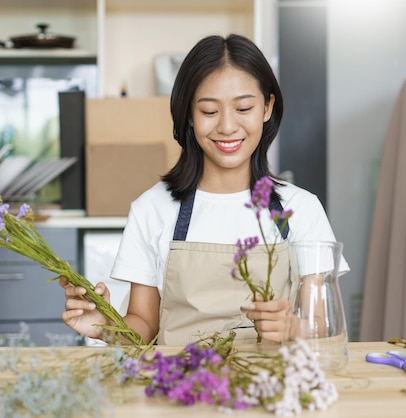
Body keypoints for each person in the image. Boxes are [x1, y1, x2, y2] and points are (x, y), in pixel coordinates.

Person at [60, 33, 348, 345]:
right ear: (189, 115)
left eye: (243, 108)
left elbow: (323, 325)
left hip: (272, 388)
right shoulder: (152, 208)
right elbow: (144, 324)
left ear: (267, 108)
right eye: (209, 111)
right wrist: (107, 326)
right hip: (180, 386)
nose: (226, 126)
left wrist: (292, 327)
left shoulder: (299, 209)